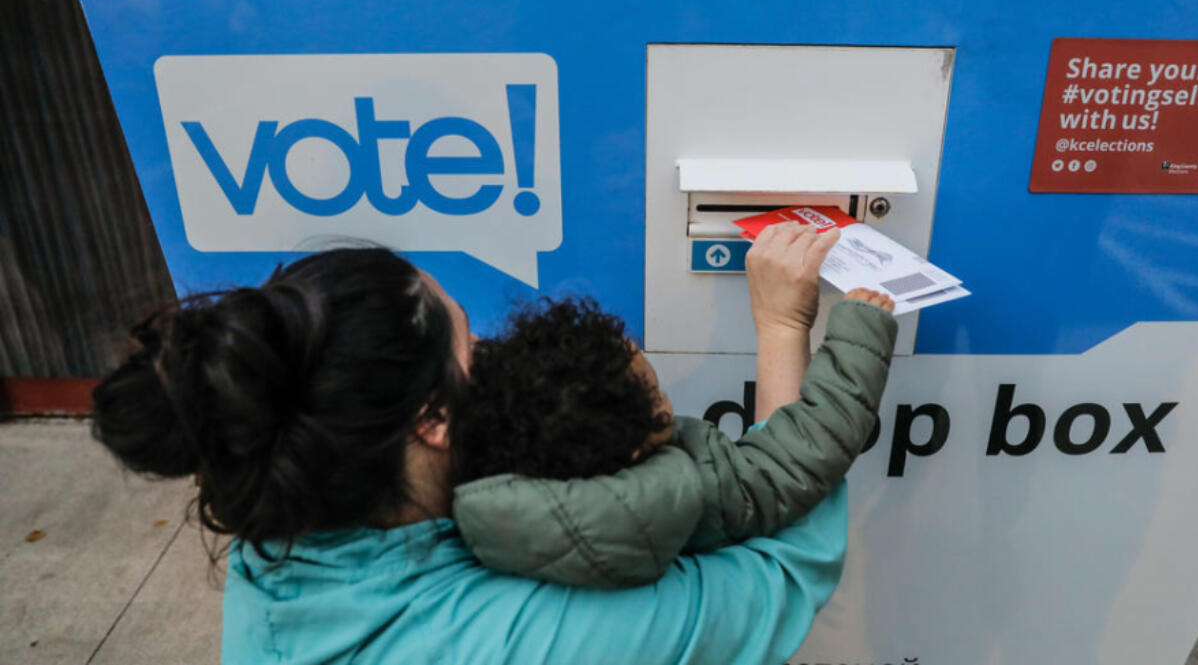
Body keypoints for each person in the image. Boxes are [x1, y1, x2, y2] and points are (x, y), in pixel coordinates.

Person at [90, 225, 876, 665]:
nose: (498, 349)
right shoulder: (539, 641)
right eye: (471, 339)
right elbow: (779, 566)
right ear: (432, 416)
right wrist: (782, 328)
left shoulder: (283, 532)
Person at [449, 267, 897, 587]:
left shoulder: (489, 489)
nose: (670, 408)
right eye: (659, 398)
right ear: (637, 446)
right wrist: (860, 327)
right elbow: (805, 449)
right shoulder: (695, 491)